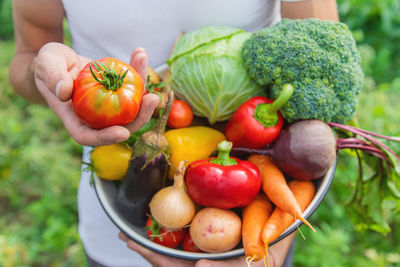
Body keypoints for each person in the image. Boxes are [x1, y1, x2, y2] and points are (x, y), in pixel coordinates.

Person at [9, 0, 339, 266]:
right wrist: (44, 73)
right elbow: (27, 55)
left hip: (252, 233)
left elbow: (325, 75)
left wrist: (272, 246)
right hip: (116, 210)